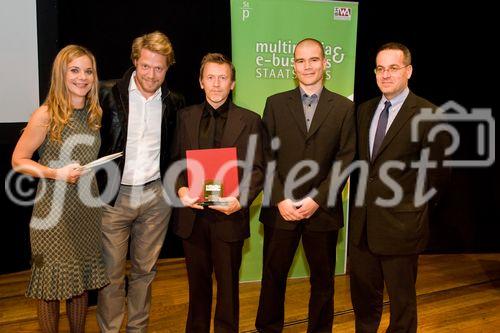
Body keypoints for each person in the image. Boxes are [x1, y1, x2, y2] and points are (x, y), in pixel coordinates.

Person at [256, 38, 356, 332]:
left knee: (323, 282)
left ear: (326, 63)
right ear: (293, 66)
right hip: (280, 209)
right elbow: (265, 154)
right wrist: (281, 199)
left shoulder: (344, 107)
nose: (307, 66)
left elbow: (346, 158)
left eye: (313, 60)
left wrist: (317, 199)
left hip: (321, 211)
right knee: (273, 277)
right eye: (301, 60)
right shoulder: (275, 104)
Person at [349, 42, 449, 333]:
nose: (386, 75)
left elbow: (439, 176)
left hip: (402, 227)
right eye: (380, 68)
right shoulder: (364, 111)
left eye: (393, 68)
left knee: (402, 306)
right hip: (363, 225)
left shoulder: (429, 114)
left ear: (408, 71)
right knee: (364, 302)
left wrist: (414, 209)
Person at [11, 44, 108, 333]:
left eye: (88, 71)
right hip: (52, 217)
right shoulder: (45, 115)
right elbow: (18, 160)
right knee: (49, 287)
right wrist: (55, 173)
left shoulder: (94, 114)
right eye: (74, 70)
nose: (82, 77)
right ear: (61, 75)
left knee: (80, 285)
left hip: (87, 212)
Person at [96, 31, 185, 333]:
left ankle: (137, 329)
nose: (151, 74)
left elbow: (176, 149)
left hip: (155, 199)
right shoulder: (106, 93)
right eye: (145, 66)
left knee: (145, 272)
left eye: (159, 68)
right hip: (115, 197)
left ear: (167, 68)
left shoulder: (174, 102)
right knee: (111, 275)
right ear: (135, 61)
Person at [174, 53, 265, 333]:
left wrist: (240, 201)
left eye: (223, 78)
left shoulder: (250, 120)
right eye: (210, 77)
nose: (216, 84)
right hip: (193, 217)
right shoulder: (184, 117)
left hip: (229, 216)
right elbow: (175, 162)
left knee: (228, 291)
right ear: (201, 82)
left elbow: (258, 169)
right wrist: (180, 189)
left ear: (233, 83)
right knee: (197, 290)